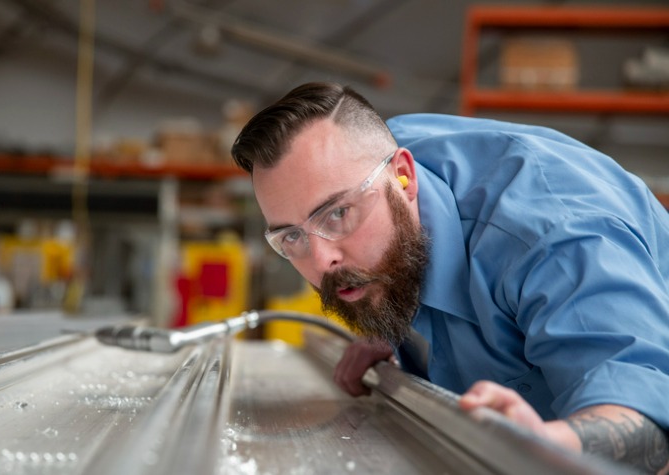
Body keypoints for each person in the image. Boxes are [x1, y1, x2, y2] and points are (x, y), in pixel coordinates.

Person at [231, 82, 669, 473]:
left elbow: (646, 419)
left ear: (404, 176)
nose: (321, 259)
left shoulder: (553, 239)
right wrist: (391, 316)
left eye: (338, 214)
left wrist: (548, 444)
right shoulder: (368, 170)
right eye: (291, 237)